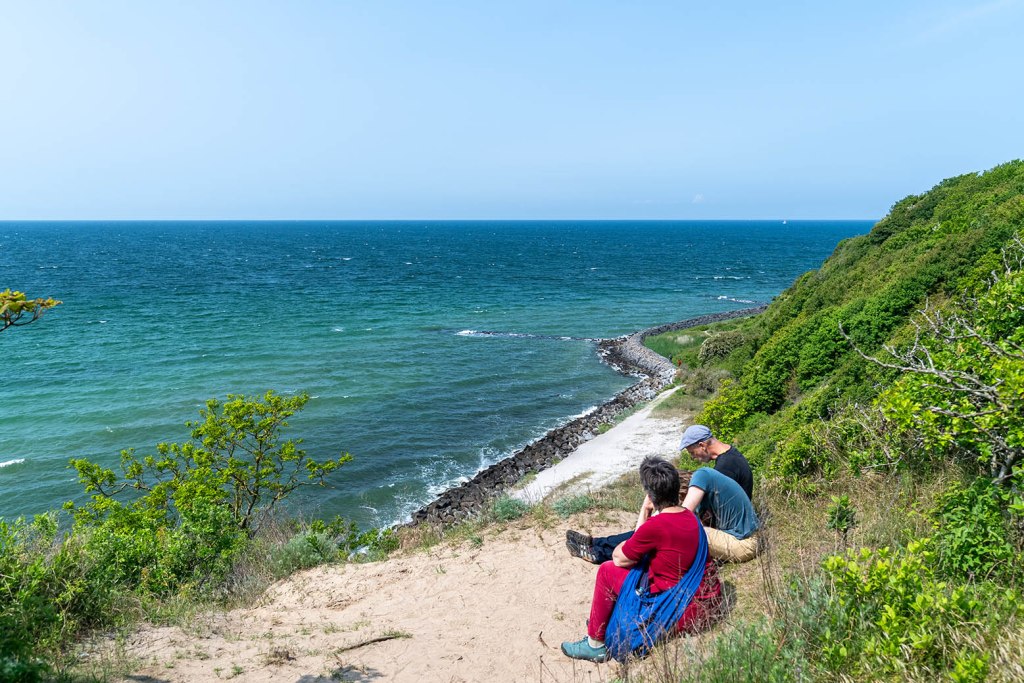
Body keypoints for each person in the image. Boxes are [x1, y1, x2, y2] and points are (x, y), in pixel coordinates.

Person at [561, 457, 722, 662]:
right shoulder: (690, 517)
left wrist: (644, 511)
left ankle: (595, 645)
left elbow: (619, 558)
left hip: (682, 610)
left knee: (607, 571)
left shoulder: (656, 525)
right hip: (707, 603)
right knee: (640, 569)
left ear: (650, 495)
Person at [567, 465, 760, 564]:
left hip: (744, 544)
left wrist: (648, 511)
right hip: (740, 539)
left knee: (664, 533)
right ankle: (596, 545)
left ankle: (597, 550)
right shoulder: (709, 488)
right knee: (658, 531)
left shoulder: (703, 477)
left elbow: (679, 520)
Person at [679, 424, 753, 500]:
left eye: (692, 452)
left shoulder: (726, 466)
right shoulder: (731, 454)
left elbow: (716, 500)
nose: (693, 457)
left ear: (702, 446)